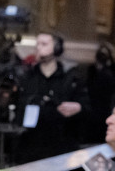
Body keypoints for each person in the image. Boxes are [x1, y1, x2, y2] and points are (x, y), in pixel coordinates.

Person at [14, 31, 88, 163]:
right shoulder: (27, 76)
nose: (38, 47)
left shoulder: (70, 77)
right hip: (31, 145)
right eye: (37, 44)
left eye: (44, 44)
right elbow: (17, 104)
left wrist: (78, 107)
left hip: (61, 144)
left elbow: (86, 106)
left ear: (57, 48)